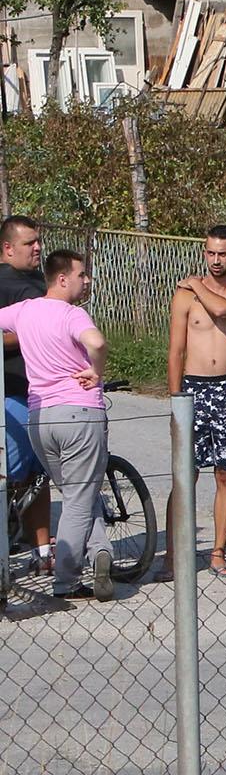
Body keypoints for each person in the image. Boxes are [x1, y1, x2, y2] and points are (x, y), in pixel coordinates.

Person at [0, 247, 113, 600]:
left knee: (79, 493)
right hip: (79, 413)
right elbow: (97, 342)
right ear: (62, 279)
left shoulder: (25, 311)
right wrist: (96, 370)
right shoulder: (72, 315)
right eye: (82, 275)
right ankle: (66, 581)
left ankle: (100, 553)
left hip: (40, 417)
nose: (87, 280)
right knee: (79, 501)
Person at [167, 223, 226, 579]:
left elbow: (223, 310)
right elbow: (175, 351)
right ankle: (173, 556)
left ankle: (219, 551)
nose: (216, 260)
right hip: (193, 387)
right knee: (184, 475)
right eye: (210, 253)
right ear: (203, 252)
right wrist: (176, 401)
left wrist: (194, 283)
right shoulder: (184, 297)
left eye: (223, 253)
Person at [1, 213, 49, 568]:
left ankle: (42, 550)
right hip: (12, 389)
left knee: (39, 475)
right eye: (29, 243)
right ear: (7, 248)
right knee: (13, 473)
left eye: (38, 241)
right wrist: (38, 327)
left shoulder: (35, 278)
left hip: (43, 389)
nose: (37, 247)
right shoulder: (3, 282)